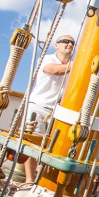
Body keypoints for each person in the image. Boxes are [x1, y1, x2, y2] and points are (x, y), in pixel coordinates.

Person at [24, 34, 76, 184]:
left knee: (54, 147)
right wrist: (81, 64)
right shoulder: (47, 59)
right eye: (65, 41)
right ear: (57, 45)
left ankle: (45, 180)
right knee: (33, 145)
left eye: (72, 43)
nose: (69, 44)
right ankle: (29, 180)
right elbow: (54, 70)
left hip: (57, 113)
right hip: (39, 107)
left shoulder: (73, 65)